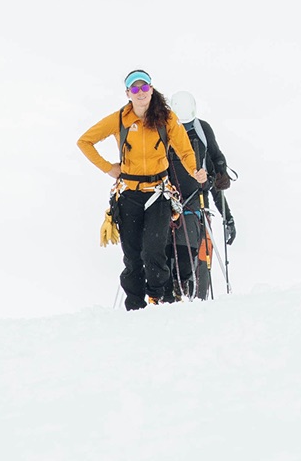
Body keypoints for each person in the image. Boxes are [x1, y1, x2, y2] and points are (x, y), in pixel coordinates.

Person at [77, 70, 206, 310]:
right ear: (128, 93)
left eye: (144, 87)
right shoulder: (119, 119)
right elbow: (84, 141)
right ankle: (134, 305)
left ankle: (157, 297)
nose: (140, 93)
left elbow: (185, 150)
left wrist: (195, 171)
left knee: (154, 250)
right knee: (132, 254)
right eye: (134, 89)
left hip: (158, 193)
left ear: (151, 89)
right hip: (129, 194)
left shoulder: (167, 118)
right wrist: (108, 168)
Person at [166, 92, 236, 299]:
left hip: (195, 202)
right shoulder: (163, 132)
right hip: (170, 202)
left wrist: (228, 217)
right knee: (172, 252)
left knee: (188, 251)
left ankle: (186, 292)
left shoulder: (201, 131)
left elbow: (214, 169)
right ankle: (175, 292)